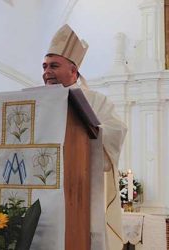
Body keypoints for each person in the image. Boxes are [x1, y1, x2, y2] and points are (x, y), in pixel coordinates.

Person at [42, 24, 127, 250]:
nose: (46, 71)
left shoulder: (96, 101)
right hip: (43, 190)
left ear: (73, 71)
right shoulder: (37, 100)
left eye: (54, 66)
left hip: (82, 189)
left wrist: (91, 130)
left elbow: (116, 131)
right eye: (44, 66)